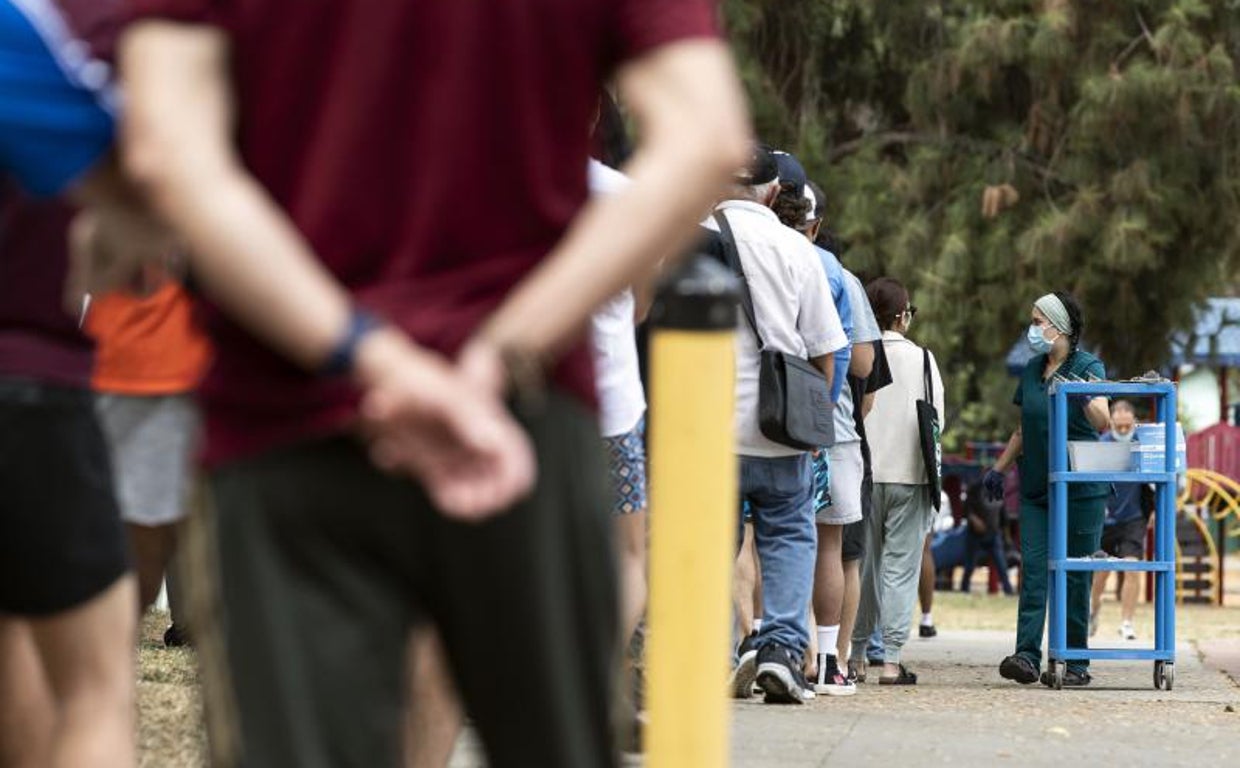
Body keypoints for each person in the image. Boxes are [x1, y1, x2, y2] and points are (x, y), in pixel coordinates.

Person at [117, 3, 750, 766]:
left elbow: (165, 149)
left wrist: (366, 354)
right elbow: (706, 138)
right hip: (518, 414)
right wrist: (500, 348)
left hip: (293, 406)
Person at [716, 146, 847, 705]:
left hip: (707, 429)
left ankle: (716, 652)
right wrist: (809, 420)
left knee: (709, 542)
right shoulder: (797, 249)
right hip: (778, 429)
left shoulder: (688, 238)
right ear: (775, 193)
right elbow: (826, 350)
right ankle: (781, 652)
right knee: (790, 532)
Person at [986, 292, 1111, 688]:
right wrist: (998, 469)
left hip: (1080, 490)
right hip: (1037, 489)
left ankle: (1075, 662)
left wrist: (1085, 394)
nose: (1033, 328)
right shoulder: (1032, 369)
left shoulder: (1088, 365)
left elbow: (1103, 420)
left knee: (1075, 575)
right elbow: (1024, 428)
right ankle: (1025, 655)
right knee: (1035, 570)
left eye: (1039, 320)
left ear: (1060, 327)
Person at [86, 275, 211, 642]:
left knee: (162, 506)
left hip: (141, 356)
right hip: (147, 359)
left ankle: (185, 620)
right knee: (166, 507)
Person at [850, 277, 944, 686]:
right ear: (902, 315)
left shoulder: (859, 354)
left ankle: (853, 655)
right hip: (911, 475)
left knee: (862, 567)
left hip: (865, 472)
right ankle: (890, 660)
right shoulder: (922, 358)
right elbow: (938, 417)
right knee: (900, 569)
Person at [1090, 400, 1154, 641]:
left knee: (1132, 568)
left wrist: (1154, 510)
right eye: (1118, 411)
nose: (1123, 416)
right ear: (1111, 418)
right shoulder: (1102, 443)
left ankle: (1126, 622)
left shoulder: (1142, 444)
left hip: (1133, 518)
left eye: (1128, 411)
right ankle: (1093, 609)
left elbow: (1155, 480)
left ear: (1134, 418)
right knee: (1100, 572)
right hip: (1105, 517)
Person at [959, 478, 1015, 595]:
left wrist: (1007, 537)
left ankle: (1008, 590)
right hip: (975, 534)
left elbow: (1004, 517)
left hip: (994, 534)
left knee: (1001, 564)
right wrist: (974, 520)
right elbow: (966, 508)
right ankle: (964, 588)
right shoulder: (975, 487)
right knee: (970, 564)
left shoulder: (999, 490)